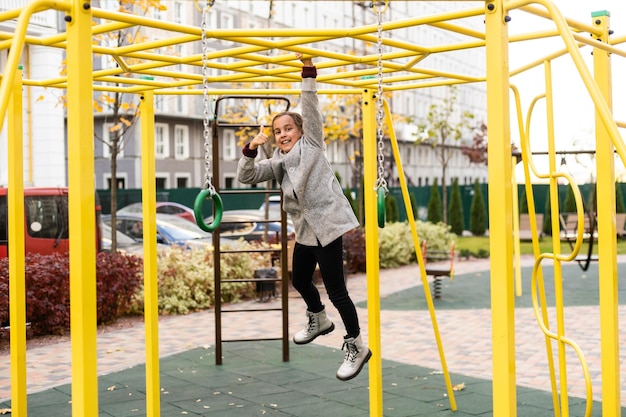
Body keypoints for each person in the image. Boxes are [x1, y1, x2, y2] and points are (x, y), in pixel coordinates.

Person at [237, 54, 371, 381]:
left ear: (300, 130)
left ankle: (357, 344)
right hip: (306, 233)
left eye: (288, 129)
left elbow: (309, 105)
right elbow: (247, 176)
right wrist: (251, 149)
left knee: (337, 292)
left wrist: (307, 70)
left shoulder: (312, 144)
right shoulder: (278, 163)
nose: (283, 134)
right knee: (298, 280)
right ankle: (320, 320)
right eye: (277, 131)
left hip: (328, 228)